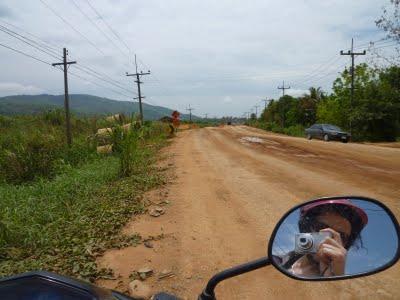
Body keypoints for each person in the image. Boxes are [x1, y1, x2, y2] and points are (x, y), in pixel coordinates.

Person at [284, 199, 368, 277]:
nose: (328, 239)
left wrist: (335, 278)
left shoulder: (336, 277)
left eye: (341, 236)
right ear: (305, 229)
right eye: (321, 227)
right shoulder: (278, 260)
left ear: (346, 245)